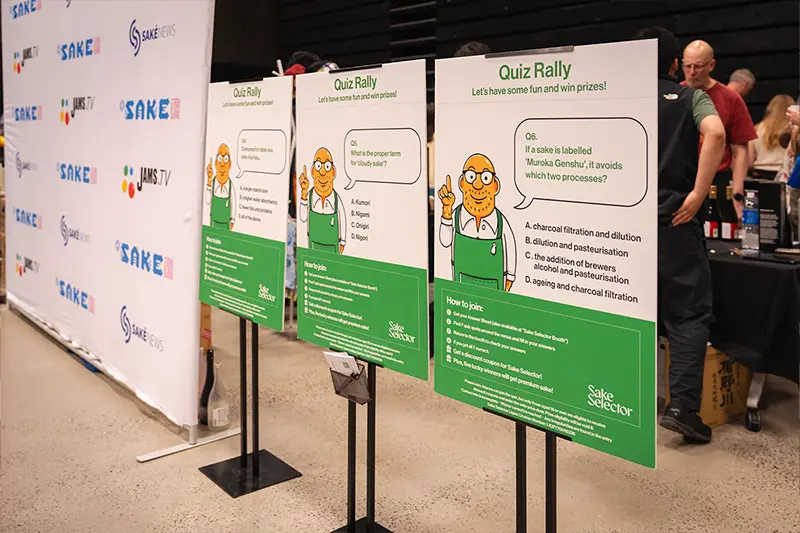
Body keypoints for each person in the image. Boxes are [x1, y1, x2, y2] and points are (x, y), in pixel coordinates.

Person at [636, 27, 726, 443]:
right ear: (675, 65)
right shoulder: (690, 98)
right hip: (674, 222)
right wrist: (697, 192)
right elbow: (717, 133)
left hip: (625, 227)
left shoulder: (618, 96)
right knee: (687, 314)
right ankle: (683, 409)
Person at [682, 40, 757, 220]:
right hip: (683, 177)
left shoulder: (731, 98)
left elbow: (740, 150)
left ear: (711, 65)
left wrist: (737, 193)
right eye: (687, 66)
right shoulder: (676, 94)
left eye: (698, 66)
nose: (692, 72)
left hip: (717, 180)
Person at [438, 154, 517, 292]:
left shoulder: (500, 222)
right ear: (462, 183)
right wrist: (446, 209)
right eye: (471, 176)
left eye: (485, 178)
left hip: (494, 285)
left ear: (495, 186)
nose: (478, 185)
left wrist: (510, 277)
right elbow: (445, 241)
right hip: (462, 283)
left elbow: (511, 248)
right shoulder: (456, 216)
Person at [298, 148, 346, 254]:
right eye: (318, 166)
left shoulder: (336, 199)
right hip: (313, 245)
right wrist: (304, 193)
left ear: (333, 172)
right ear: (313, 171)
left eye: (327, 166)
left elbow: (342, 220)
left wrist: (342, 242)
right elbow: (303, 217)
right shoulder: (310, 196)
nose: (322, 172)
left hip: (332, 246)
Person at [750, 94, 795, 180]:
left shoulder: (756, 129)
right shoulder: (793, 130)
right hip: (786, 174)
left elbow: (749, 161)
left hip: (760, 175)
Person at [205, 143, 236, 230]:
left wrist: (232, 221)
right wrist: (209, 180)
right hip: (214, 222)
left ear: (229, 163)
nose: (222, 164)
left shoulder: (230, 186)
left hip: (226, 224)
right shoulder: (213, 182)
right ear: (215, 162)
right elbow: (207, 200)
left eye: (225, 159)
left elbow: (233, 203)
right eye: (219, 158)